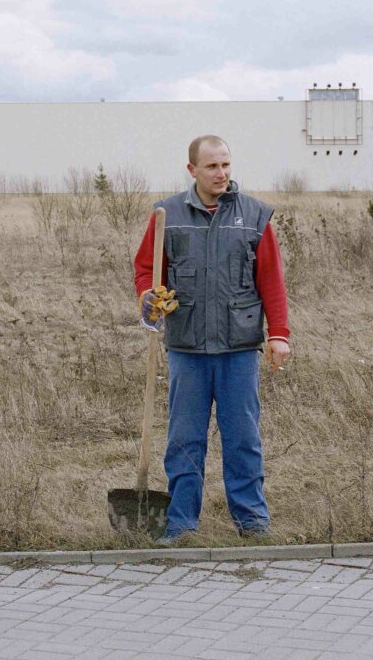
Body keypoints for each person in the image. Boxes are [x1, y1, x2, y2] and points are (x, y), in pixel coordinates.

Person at [132, 134, 291, 545]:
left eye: (225, 165)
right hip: (187, 348)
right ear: (192, 170)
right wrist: (148, 297)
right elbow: (146, 270)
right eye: (211, 166)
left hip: (239, 348)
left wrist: (278, 335)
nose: (221, 173)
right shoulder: (166, 215)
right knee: (184, 439)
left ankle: (252, 521)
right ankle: (181, 524)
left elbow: (271, 280)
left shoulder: (254, 216)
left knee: (243, 438)